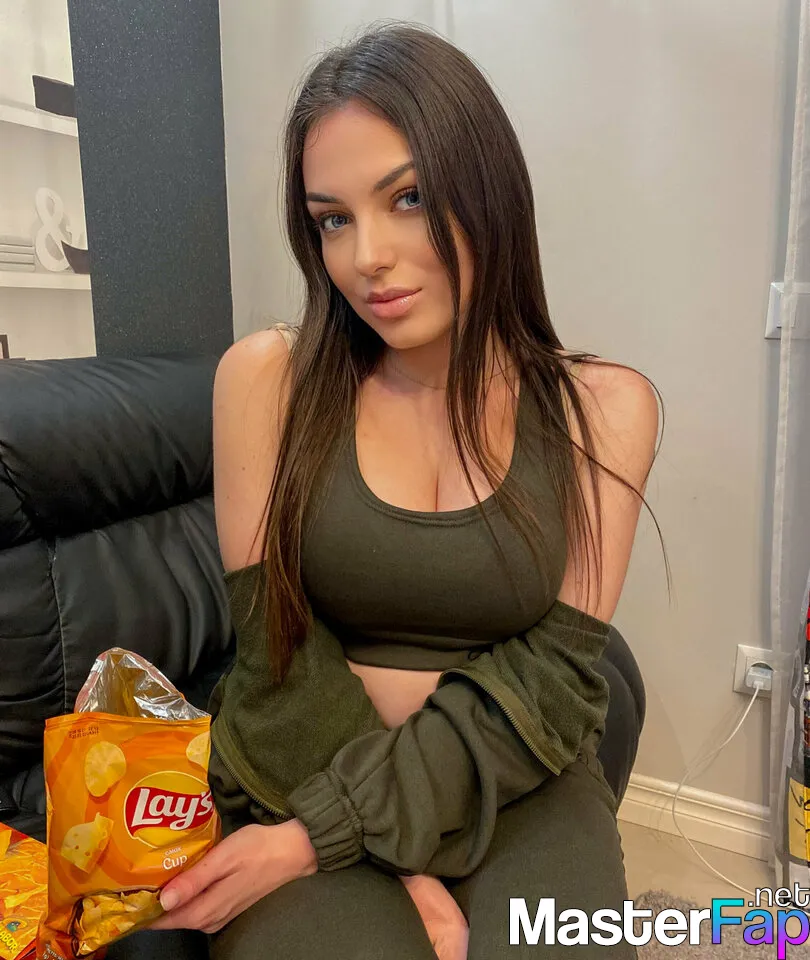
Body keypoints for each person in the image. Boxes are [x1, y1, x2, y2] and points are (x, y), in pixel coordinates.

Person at [150, 21, 660, 959]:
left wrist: (334, 834)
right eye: (332, 219)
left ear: (488, 191)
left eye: (409, 198)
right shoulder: (267, 382)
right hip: (302, 769)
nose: (366, 257)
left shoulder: (605, 409)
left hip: (518, 780)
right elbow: (276, 655)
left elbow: (552, 682)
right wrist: (373, 852)